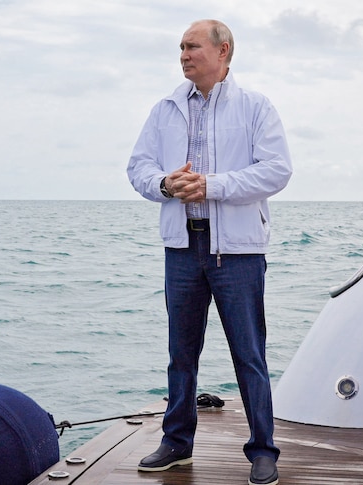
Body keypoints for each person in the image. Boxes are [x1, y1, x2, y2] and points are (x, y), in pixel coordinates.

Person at [126, 19, 292, 485]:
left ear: (223, 52)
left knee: (249, 354)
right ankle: (177, 443)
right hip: (182, 245)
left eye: (193, 46)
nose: (183, 54)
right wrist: (164, 184)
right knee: (181, 353)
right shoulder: (165, 109)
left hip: (237, 251)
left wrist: (211, 185)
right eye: (180, 47)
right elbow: (138, 167)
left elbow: (277, 171)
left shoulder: (256, 106)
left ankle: (263, 451)